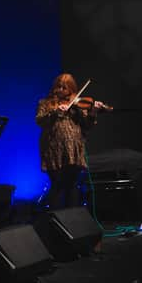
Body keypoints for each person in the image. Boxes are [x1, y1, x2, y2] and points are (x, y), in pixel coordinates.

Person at [35, 73, 103, 210]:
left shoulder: (78, 105)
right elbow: (40, 121)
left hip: (74, 149)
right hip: (54, 149)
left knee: (72, 185)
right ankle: (55, 218)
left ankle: (73, 220)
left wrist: (93, 112)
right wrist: (54, 112)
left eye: (64, 88)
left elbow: (87, 125)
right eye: (58, 87)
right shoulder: (45, 103)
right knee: (57, 183)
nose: (60, 90)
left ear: (71, 89)